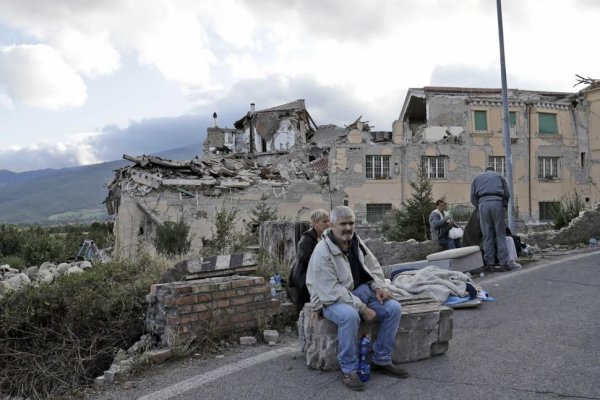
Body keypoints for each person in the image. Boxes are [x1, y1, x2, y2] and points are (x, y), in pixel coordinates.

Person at [306, 206, 408, 391]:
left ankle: (382, 359)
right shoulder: (323, 251)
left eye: (351, 223)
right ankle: (349, 369)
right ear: (332, 225)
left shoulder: (355, 241)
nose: (348, 228)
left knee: (393, 308)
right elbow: (331, 290)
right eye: (343, 224)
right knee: (349, 316)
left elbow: (373, 265)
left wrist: (379, 287)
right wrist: (362, 308)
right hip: (327, 299)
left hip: (356, 292)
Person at [287, 209, 330, 313]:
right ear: (315, 224)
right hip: (303, 278)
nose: (328, 224)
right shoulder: (306, 239)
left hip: (316, 276)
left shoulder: (323, 237)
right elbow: (309, 258)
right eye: (324, 221)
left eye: (328, 221)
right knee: (306, 308)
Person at [470, 167, 511, 271]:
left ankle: (490, 263)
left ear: (485, 171)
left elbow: (472, 197)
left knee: (487, 235)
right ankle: (503, 263)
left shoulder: (477, 178)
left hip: (483, 203)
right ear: (493, 170)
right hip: (497, 202)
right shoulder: (499, 176)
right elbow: (507, 194)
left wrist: (479, 206)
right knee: (500, 234)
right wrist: (504, 205)